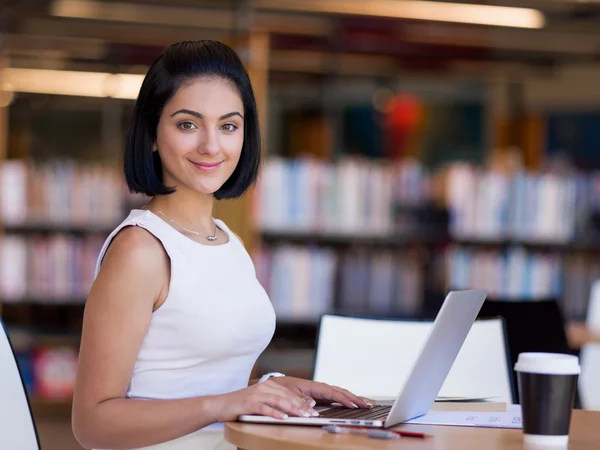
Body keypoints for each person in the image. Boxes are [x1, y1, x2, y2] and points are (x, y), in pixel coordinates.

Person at [71, 40, 371, 450]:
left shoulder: (226, 241)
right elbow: (92, 423)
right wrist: (224, 403)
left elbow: (193, 380)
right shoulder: (140, 250)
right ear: (153, 135)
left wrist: (274, 388)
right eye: (188, 124)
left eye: (229, 126)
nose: (212, 146)